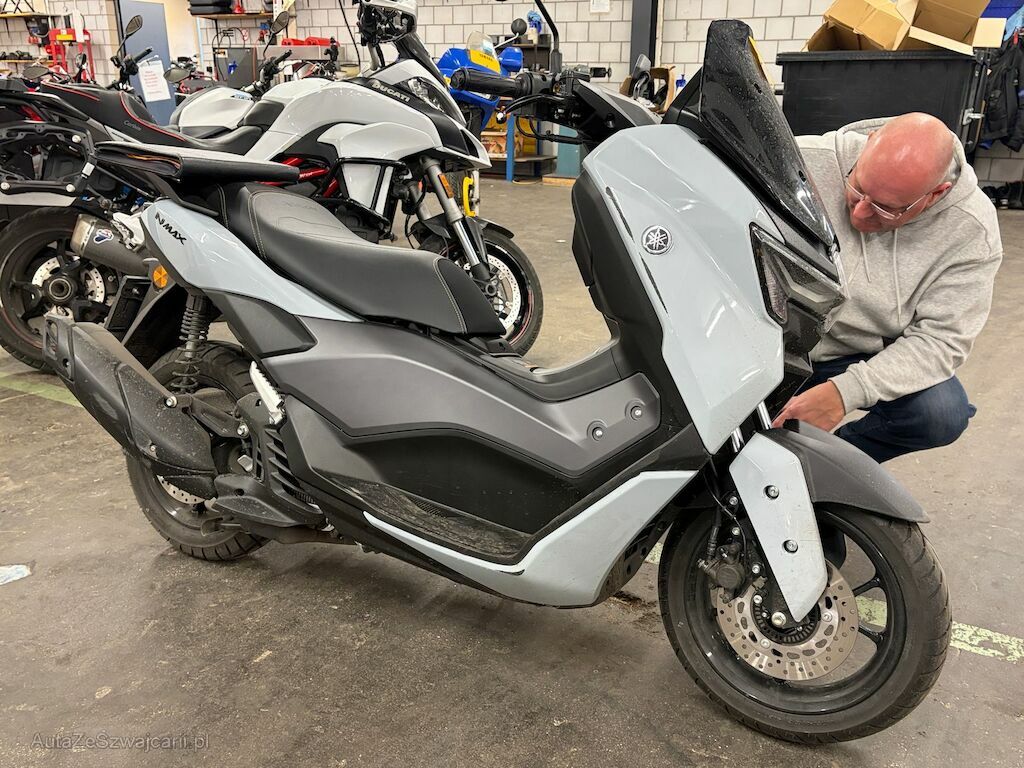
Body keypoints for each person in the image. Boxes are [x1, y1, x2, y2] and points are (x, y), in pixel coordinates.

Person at [772, 113, 1002, 463]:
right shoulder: (802, 158)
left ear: (936, 194)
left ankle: (823, 468)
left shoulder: (972, 232)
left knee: (939, 413)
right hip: (771, 334)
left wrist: (844, 393)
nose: (860, 214)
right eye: (857, 188)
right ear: (869, 144)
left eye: (887, 209)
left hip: (855, 352)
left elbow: (941, 341)